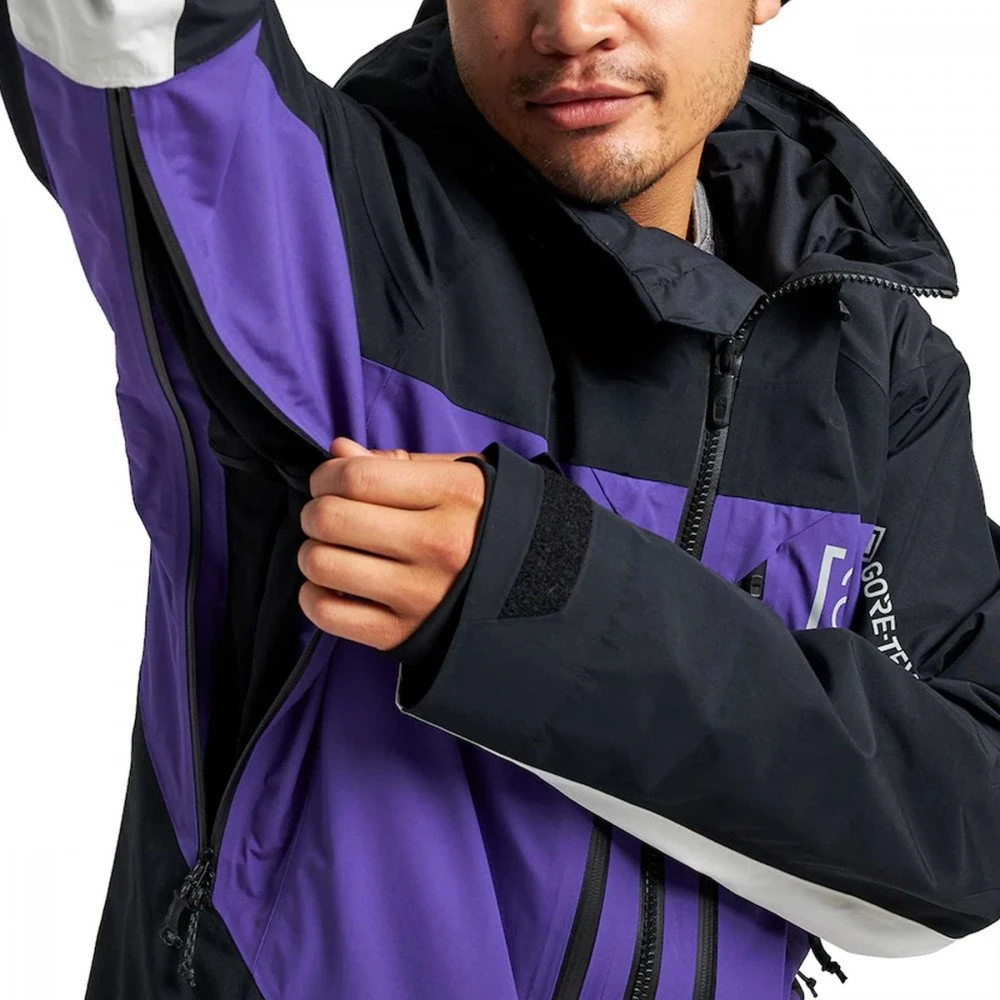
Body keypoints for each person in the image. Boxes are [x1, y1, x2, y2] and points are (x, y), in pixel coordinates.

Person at [2, 1, 999, 998]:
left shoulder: (873, 362)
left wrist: (540, 594)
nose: (570, 24)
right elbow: (125, 31)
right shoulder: (324, 232)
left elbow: (967, 835)